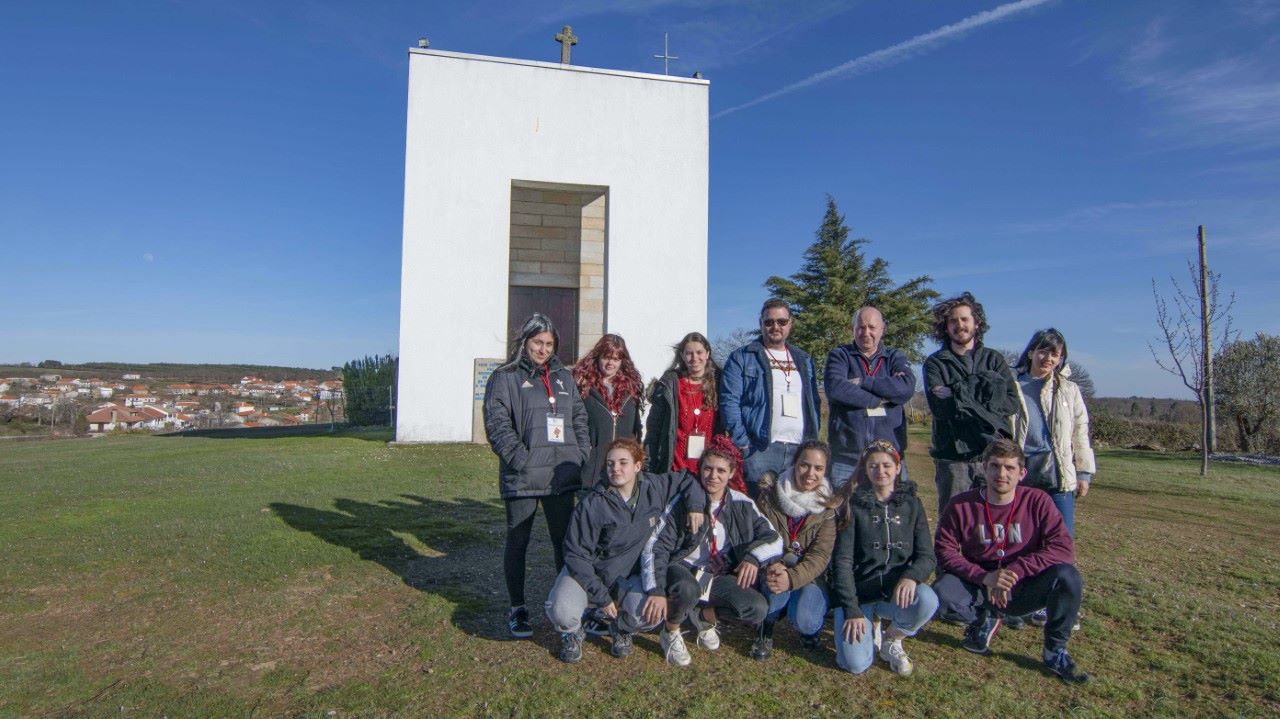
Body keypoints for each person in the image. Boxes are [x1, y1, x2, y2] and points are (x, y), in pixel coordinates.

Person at [932, 438, 1089, 684]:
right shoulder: (961, 504)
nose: (1001, 474)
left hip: (1023, 585)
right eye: (994, 466)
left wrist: (1015, 570)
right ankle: (984, 618)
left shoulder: (1037, 501)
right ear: (984, 467)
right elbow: (944, 551)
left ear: (1022, 473)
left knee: (1068, 577)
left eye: (1009, 468)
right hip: (981, 584)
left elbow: (1063, 549)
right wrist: (984, 577)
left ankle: (1054, 650)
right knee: (941, 593)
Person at [544, 438, 705, 663]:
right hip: (589, 575)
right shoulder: (592, 504)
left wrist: (695, 507)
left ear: (637, 466)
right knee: (561, 609)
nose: (615, 469)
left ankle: (622, 629)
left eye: (623, 463)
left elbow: (687, 478)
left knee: (651, 613)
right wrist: (601, 596)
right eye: (610, 464)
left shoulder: (654, 487)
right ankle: (572, 633)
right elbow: (575, 554)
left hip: (626, 577)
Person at [483, 313, 589, 638]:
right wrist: (520, 458)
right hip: (524, 477)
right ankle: (518, 608)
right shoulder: (505, 376)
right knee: (518, 542)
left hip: (560, 477)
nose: (543, 349)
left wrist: (580, 454)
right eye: (537, 343)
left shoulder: (563, 377)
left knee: (564, 543)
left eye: (548, 344)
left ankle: (566, 608)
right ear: (524, 342)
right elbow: (497, 423)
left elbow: (579, 417)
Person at [642, 436, 783, 666]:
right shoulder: (685, 499)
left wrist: (753, 558)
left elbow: (774, 539)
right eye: (707, 469)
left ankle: (700, 618)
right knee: (688, 589)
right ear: (700, 469)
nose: (713, 476)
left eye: (720, 470)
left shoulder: (742, 503)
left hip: (714, 574)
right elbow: (657, 546)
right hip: (682, 567)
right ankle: (670, 630)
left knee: (757, 608)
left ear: (731, 472)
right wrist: (656, 589)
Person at [830, 440, 938, 676]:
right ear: (865, 470)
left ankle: (893, 637)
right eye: (874, 466)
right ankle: (868, 622)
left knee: (927, 600)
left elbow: (927, 557)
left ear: (898, 468)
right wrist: (852, 609)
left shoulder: (913, 504)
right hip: (860, 594)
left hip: (896, 592)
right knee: (855, 664)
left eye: (887, 465)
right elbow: (843, 562)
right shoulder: (853, 505)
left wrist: (911, 577)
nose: (881, 471)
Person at [1011, 329, 1095, 630]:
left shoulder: (1068, 391)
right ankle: (1020, 603)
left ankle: (1058, 607)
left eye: (1055, 354)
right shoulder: (1013, 385)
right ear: (1031, 352)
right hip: (1021, 475)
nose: (1047, 358)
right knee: (1021, 542)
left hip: (1058, 476)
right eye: (1042, 351)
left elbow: (1079, 433)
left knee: (1060, 544)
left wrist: (1083, 471)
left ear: (1061, 359)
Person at [923, 292, 1021, 517]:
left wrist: (957, 391)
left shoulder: (994, 359)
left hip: (994, 456)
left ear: (977, 323)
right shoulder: (935, 363)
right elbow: (941, 409)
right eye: (953, 321)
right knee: (954, 523)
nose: (959, 325)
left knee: (994, 520)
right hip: (953, 458)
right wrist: (986, 390)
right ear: (945, 327)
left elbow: (1010, 403)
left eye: (965, 319)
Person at [721, 298, 820, 497]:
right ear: (761, 324)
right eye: (769, 322)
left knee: (793, 514)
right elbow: (729, 401)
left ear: (790, 323)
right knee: (760, 513)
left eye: (781, 322)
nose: (775, 326)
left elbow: (814, 402)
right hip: (760, 449)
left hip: (799, 450)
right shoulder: (742, 357)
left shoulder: (804, 359)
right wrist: (743, 443)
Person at [754, 440, 838, 658]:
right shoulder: (770, 495)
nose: (810, 473)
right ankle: (767, 626)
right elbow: (759, 536)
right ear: (794, 463)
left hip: (808, 575)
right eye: (804, 465)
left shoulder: (828, 507)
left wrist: (792, 578)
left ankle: (809, 632)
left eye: (818, 468)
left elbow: (820, 556)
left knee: (807, 620)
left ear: (825, 470)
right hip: (774, 566)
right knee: (774, 587)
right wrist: (774, 565)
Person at [824, 306, 917, 486]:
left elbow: (905, 388)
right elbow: (836, 388)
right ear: (853, 329)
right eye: (860, 327)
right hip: (846, 460)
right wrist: (879, 399)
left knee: (891, 512)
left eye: (872, 327)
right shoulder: (840, 355)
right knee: (843, 513)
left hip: (888, 460)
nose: (866, 332)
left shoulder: (894, 357)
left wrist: (863, 382)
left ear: (882, 329)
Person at [572, 334, 645, 488]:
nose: (611, 363)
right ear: (598, 357)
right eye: (606, 357)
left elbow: (636, 431)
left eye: (616, 358)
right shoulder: (583, 388)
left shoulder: (631, 390)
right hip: (593, 472)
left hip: (624, 473)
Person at [645, 332, 720, 473]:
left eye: (699, 352)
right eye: (689, 353)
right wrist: (648, 463)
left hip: (708, 470)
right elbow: (654, 428)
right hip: (675, 467)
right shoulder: (670, 385)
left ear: (707, 353)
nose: (694, 358)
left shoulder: (719, 384)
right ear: (682, 355)